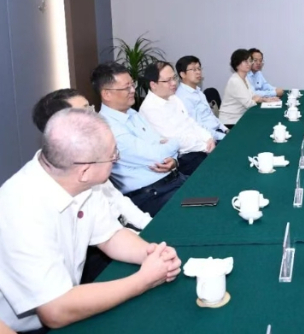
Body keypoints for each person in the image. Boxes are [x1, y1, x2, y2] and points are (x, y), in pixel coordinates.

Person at [0, 109, 181, 332]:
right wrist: (143, 280)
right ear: (85, 170)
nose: (116, 161)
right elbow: (55, 311)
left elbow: (110, 235)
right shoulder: (21, 210)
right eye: (113, 156)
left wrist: (152, 255)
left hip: (69, 299)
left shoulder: (76, 178)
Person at [32, 89, 152, 231]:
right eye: (85, 112)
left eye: (90, 108)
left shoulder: (90, 154)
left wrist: (149, 225)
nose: (95, 117)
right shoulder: (48, 188)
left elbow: (118, 199)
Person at [93, 62, 186, 217]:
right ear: (107, 94)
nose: (132, 90)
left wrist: (174, 160)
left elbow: (162, 143)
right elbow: (158, 155)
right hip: (150, 195)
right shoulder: (108, 128)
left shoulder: (133, 114)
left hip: (173, 180)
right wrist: (175, 142)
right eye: (126, 87)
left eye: (132, 84)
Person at [140, 61, 215, 175]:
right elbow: (176, 141)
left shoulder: (173, 98)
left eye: (174, 78)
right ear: (153, 85)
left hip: (198, 148)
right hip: (180, 158)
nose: (174, 83)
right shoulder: (150, 108)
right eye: (168, 80)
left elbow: (191, 122)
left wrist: (208, 138)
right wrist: (205, 146)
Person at [175, 55, 229, 142]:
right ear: (183, 74)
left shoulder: (198, 91)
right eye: (193, 69)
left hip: (217, 132)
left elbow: (211, 115)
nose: (198, 72)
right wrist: (223, 136)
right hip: (208, 139)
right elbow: (198, 128)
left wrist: (225, 129)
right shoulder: (183, 97)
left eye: (199, 68)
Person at [219, 49, 278, 128]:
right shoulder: (235, 81)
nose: (249, 64)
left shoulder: (245, 77)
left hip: (241, 117)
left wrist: (266, 99)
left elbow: (253, 95)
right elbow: (249, 104)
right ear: (237, 64)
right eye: (245, 61)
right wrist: (255, 99)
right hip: (230, 121)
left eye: (250, 61)